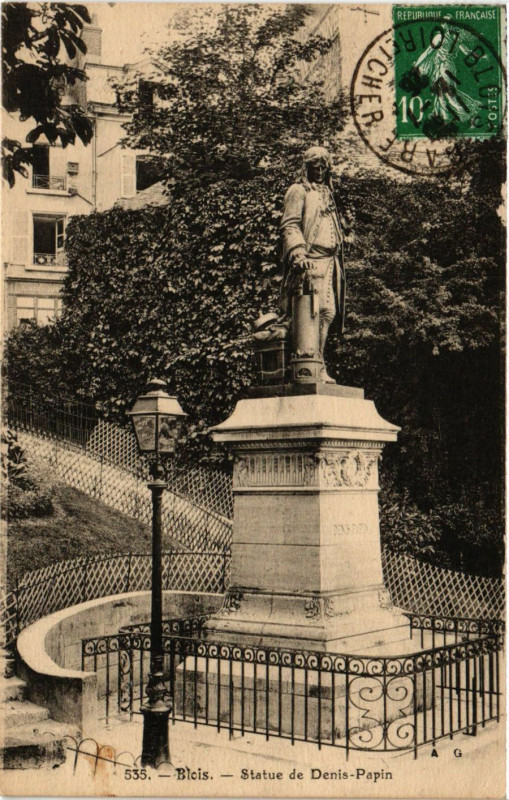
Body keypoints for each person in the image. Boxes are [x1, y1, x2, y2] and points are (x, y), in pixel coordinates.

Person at [280, 146, 353, 382]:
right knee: (313, 313)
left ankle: (317, 365)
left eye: (323, 166)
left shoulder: (327, 193)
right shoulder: (298, 191)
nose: (320, 170)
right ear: (306, 167)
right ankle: (307, 367)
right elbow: (290, 225)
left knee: (328, 314)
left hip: (330, 263)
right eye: (315, 166)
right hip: (309, 262)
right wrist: (298, 253)